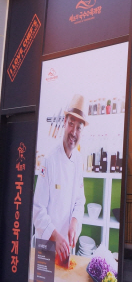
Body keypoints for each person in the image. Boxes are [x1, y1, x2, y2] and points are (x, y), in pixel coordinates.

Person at [33, 94, 87, 264]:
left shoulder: (78, 161)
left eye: (79, 127)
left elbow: (79, 200)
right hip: (48, 243)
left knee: (64, 280)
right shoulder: (49, 160)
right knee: (45, 281)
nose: (74, 132)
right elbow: (37, 209)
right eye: (71, 124)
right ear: (64, 122)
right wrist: (55, 236)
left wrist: (74, 223)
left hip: (66, 246)